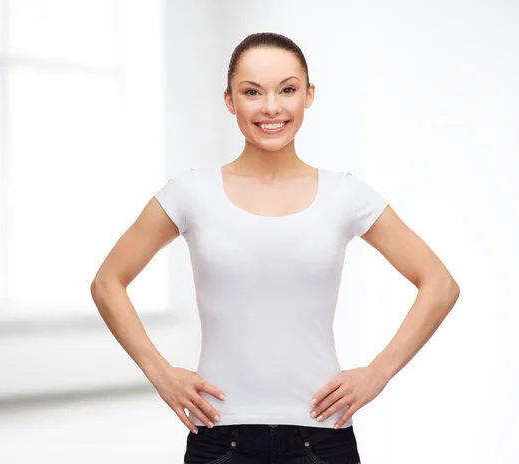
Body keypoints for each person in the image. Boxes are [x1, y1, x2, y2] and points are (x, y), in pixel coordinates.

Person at [91, 32, 460, 464]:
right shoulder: (190, 192)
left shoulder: (345, 195)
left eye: (287, 89)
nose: (271, 107)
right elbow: (107, 282)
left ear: (309, 96)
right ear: (229, 100)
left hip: (322, 439)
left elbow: (439, 283)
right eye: (252, 92)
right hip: (219, 437)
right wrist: (160, 373)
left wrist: (379, 372)